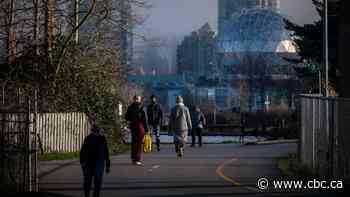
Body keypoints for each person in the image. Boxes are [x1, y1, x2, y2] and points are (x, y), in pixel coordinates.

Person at [80, 123, 110, 197]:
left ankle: (90, 195)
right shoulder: (97, 139)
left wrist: (82, 162)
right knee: (94, 181)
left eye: (95, 131)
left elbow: (82, 151)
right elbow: (106, 152)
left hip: (93, 162)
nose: (95, 132)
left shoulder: (91, 138)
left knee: (90, 181)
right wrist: (107, 165)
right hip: (93, 162)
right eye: (95, 131)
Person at [125, 95, 148, 165]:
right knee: (138, 143)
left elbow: (126, 117)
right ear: (139, 100)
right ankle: (137, 159)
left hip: (133, 126)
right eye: (139, 99)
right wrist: (146, 129)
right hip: (140, 127)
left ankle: (133, 158)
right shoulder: (141, 108)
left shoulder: (130, 107)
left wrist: (131, 120)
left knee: (134, 142)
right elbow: (144, 120)